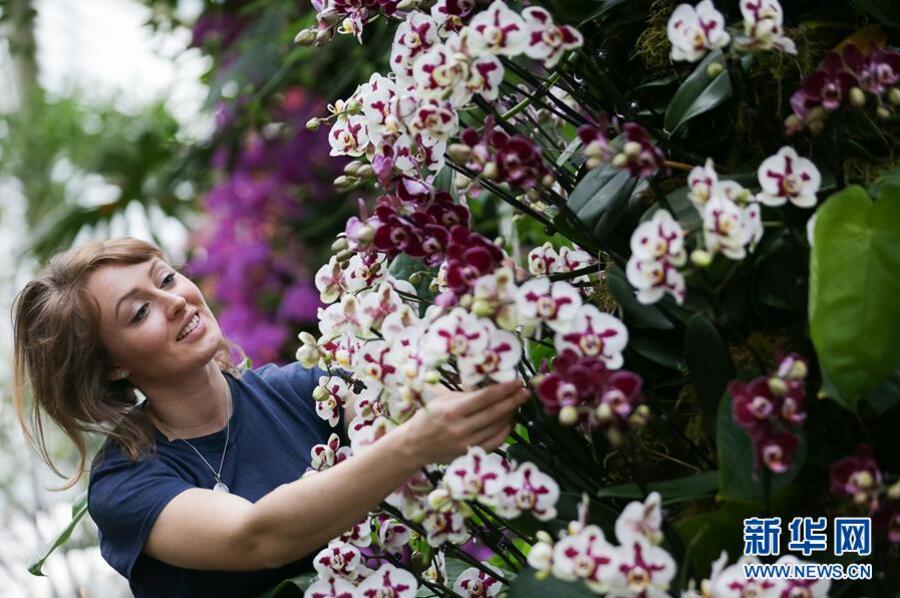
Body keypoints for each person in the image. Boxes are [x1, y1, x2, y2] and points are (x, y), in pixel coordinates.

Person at [11, 237, 529, 597]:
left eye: (167, 278)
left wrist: (491, 330)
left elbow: (414, 405)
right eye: (139, 311)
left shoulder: (304, 390)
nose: (173, 301)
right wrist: (413, 444)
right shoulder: (125, 485)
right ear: (112, 366)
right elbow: (258, 537)